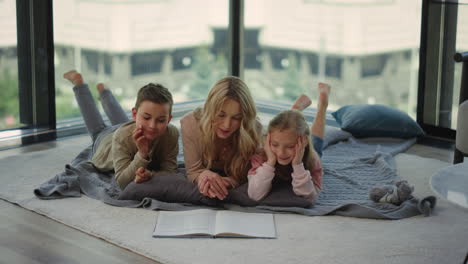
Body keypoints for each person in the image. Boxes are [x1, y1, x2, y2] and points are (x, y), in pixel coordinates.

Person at [63, 70, 179, 190]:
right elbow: (122, 182)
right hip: (106, 142)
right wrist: (142, 154)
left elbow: (170, 173)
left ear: (169, 119)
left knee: (124, 125)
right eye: (146, 117)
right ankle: (79, 84)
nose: (152, 126)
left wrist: (150, 175)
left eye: (160, 120)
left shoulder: (172, 133)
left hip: (128, 128)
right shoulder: (122, 136)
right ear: (134, 114)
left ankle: (105, 92)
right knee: (98, 129)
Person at [247, 83, 331, 203]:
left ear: (303, 142)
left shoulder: (312, 159)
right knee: (288, 126)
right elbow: (254, 195)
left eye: (290, 146)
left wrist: (298, 165)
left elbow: (309, 197)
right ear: (268, 139)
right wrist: (270, 162)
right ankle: (295, 110)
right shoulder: (261, 155)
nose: (281, 153)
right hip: (279, 142)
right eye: (275, 145)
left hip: (305, 153)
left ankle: (322, 106)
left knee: (316, 142)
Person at [180, 76, 261, 200]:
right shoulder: (189, 124)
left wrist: (226, 183)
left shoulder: (253, 130)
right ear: (210, 110)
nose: (226, 125)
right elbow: (193, 171)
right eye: (221, 115)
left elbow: (245, 176)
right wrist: (203, 176)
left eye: (236, 118)